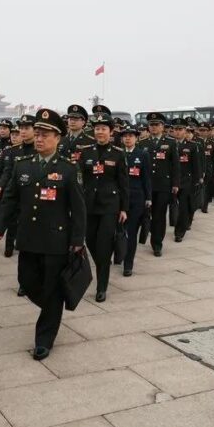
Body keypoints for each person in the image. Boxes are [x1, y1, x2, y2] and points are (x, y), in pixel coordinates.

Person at [0, 108, 85, 360]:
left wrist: (77, 240)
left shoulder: (68, 168)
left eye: (45, 135)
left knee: (52, 289)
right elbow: (10, 198)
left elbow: (78, 208)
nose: (40, 138)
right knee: (27, 280)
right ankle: (53, 308)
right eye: (38, 133)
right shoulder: (23, 165)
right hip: (28, 237)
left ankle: (44, 338)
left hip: (56, 240)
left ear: (58, 138)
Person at [79, 112, 129, 302]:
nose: (100, 132)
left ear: (111, 131)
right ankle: (103, 261)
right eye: (97, 129)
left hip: (110, 205)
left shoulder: (118, 153)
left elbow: (124, 183)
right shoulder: (86, 152)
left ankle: (102, 286)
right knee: (90, 241)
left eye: (103, 129)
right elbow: (80, 179)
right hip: (89, 205)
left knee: (104, 245)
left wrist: (124, 208)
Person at [138, 112, 180, 257]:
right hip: (146, 186)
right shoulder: (142, 143)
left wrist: (175, 183)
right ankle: (149, 232)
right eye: (151, 125)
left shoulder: (171, 142)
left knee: (159, 215)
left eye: (156, 125)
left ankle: (157, 244)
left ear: (162, 126)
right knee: (145, 214)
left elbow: (175, 165)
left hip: (163, 185)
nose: (154, 127)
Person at [121, 128, 151, 276]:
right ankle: (118, 255)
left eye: (131, 136)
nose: (127, 139)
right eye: (125, 136)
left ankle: (128, 264)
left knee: (131, 232)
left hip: (136, 198)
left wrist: (148, 198)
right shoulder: (118, 154)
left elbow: (146, 177)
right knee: (118, 231)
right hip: (119, 198)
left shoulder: (142, 154)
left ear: (136, 138)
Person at [0, 124, 23, 259]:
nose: (14, 137)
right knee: (11, 219)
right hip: (10, 189)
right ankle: (9, 246)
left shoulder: (28, 151)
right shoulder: (8, 151)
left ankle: (20, 243)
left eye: (17, 134)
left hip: (25, 189)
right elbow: (3, 171)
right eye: (13, 135)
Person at [169, 118, 201, 242]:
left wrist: (196, 181)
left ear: (185, 130)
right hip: (169, 180)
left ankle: (179, 232)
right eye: (175, 129)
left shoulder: (192, 146)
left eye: (180, 129)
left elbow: (196, 166)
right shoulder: (168, 144)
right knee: (170, 206)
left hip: (185, 181)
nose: (177, 132)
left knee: (183, 208)